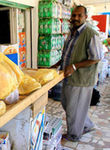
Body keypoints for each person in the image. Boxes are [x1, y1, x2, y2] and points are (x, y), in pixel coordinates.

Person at [60, 5, 103, 142]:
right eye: (74, 15)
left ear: (85, 17)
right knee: (67, 104)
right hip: (68, 77)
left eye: (79, 15)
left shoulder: (90, 34)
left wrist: (74, 66)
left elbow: (96, 57)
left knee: (73, 109)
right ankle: (87, 125)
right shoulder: (72, 32)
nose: (76, 18)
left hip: (81, 79)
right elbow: (68, 54)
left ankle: (74, 135)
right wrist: (57, 65)